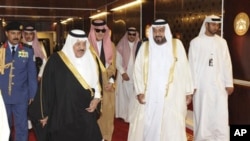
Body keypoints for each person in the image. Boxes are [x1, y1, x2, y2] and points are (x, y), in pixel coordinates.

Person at [127, 19, 194, 141]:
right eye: (155, 31)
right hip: (150, 96)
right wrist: (140, 91)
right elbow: (137, 70)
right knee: (149, 127)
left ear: (166, 30)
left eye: (161, 30)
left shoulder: (177, 45)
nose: (158, 34)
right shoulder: (145, 47)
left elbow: (185, 68)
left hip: (172, 96)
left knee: (171, 128)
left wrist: (188, 91)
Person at [37, 29, 102, 141]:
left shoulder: (92, 59)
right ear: (70, 44)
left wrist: (96, 99)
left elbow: (97, 84)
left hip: (85, 111)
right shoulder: (55, 60)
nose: (82, 47)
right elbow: (46, 89)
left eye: (84, 44)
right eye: (77, 44)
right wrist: (45, 114)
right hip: (63, 113)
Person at [188, 15, 234, 141]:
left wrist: (229, 83)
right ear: (206, 25)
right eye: (213, 25)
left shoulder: (222, 42)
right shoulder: (195, 42)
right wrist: (192, 86)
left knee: (220, 115)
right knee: (203, 114)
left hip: (219, 86)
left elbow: (227, 63)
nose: (216, 27)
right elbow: (192, 65)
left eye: (217, 25)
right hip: (202, 87)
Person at [0, 21, 38, 141]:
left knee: (22, 127)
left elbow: (32, 74)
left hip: (21, 97)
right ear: (7, 33)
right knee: (3, 127)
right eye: (13, 33)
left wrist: (32, 94)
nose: (16, 36)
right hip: (3, 96)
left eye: (18, 33)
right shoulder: (1, 51)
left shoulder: (27, 51)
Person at [88, 19, 116, 141]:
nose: (100, 33)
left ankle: (106, 138)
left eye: (103, 30)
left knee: (108, 114)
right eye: (97, 30)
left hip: (107, 86)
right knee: (93, 114)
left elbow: (113, 68)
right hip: (91, 86)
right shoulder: (87, 47)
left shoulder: (112, 46)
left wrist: (111, 82)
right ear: (93, 31)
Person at [115, 27, 140, 123]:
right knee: (123, 96)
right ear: (127, 34)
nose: (132, 36)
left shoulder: (139, 45)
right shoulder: (121, 45)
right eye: (130, 34)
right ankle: (123, 115)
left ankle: (132, 116)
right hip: (124, 75)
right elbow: (117, 62)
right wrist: (123, 72)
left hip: (135, 75)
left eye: (134, 34)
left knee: (133, 96)